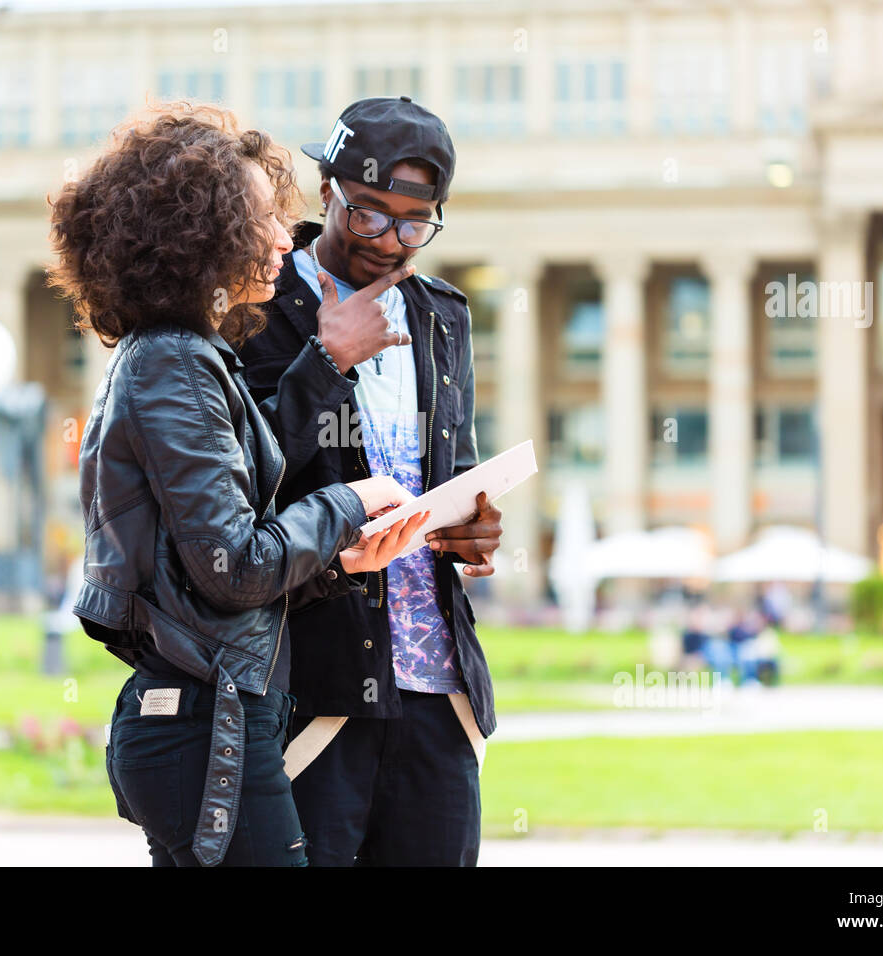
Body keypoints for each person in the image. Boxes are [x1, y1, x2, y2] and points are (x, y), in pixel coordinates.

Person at [51, 101, 429, 866]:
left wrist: (338, 560)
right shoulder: (172, 362)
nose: (282, 240)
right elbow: (235, 566)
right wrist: (349, 501)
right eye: (261, 219)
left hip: (213, 718)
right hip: (204, 726)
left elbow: (220, 555)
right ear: (199, 236)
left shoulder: (186, 357)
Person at [237, 96, 504, 866]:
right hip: (317, 686)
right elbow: (238, 482)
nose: (389, 241)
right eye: (368, 214)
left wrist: (473, 533)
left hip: (436, 692)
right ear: (328, 193)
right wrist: (325, 362)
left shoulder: (444, 316)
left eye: (414, 221)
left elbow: (447, 476)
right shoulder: (255, 299)